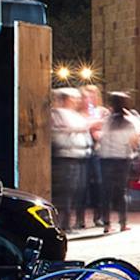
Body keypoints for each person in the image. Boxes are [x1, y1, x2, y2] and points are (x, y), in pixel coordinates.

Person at [93, 91, 140, 233]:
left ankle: (106, 224)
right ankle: (123, 223)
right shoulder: (129, 122)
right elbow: (134, 142)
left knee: (106, 192)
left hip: (105, 158)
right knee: (121, 191)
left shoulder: (106, 121)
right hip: (122, 159)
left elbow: (99, 137)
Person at [48, 87, 95, 233]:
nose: (76, 101)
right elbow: (75, 127)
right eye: (73, 98)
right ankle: (62, 224)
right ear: (65, 99)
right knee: (65, 192)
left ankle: (68, 223)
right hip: (65, 157)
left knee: (75, 191)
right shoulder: (57, 113)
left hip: (79, 157)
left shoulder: (75, 114)